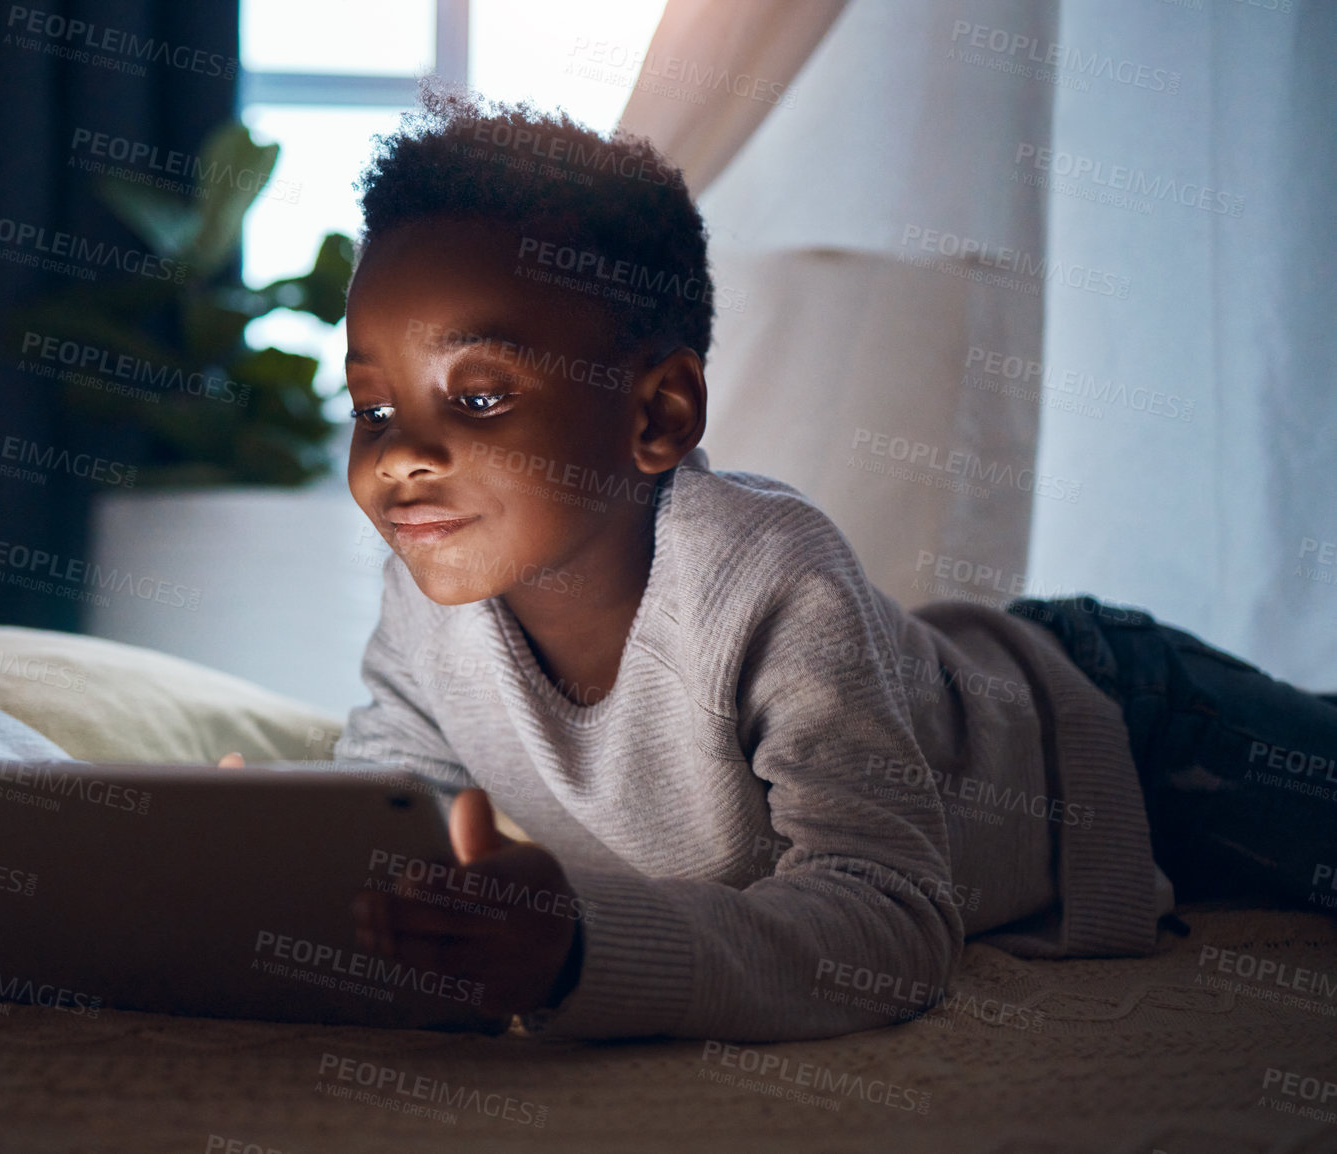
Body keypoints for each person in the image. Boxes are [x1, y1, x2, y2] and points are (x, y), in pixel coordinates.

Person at [311, 86, 1337, 1043]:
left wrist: (585, 945)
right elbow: (395, 814)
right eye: (373, 407)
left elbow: (892, 921)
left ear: (658, 413)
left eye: (481, 396)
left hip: (1118, 722)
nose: (400, 453)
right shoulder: (425, 595)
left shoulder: (768, 575)